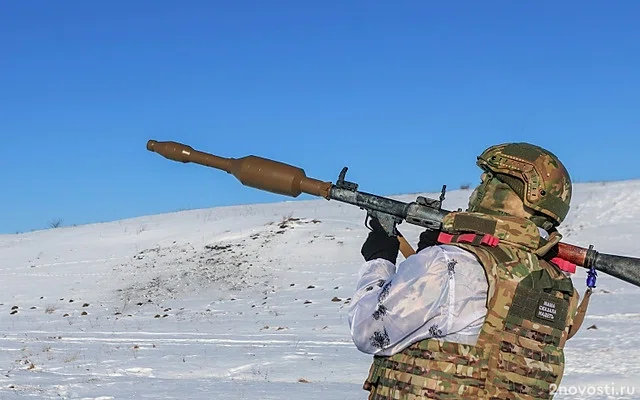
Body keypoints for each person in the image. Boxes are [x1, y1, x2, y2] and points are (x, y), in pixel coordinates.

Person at [348, 142, 583, 399]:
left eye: (492, 178)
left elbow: (367, 330)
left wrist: (378, 259)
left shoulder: (449, 264)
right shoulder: (557, 285)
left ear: (524, 193)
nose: (481, 183)